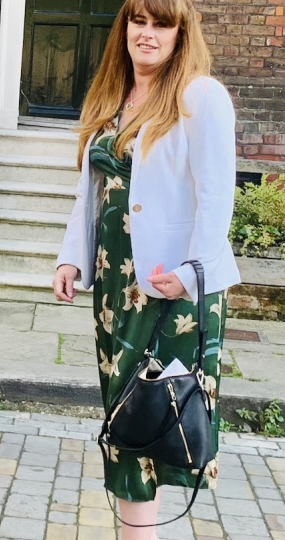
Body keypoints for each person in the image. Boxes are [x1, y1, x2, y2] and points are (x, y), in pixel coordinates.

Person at [52, 0, 240, 537]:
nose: (148, 33)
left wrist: (192, 270)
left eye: (162, 24)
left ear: (182, 33)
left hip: (169, 288)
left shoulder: (200, 97)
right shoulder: (113, 96)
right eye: (139, 21)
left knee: (155, 419)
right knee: (125, 419)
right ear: (125, 28)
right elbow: (92, 190)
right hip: (115, 284)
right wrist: (72, 256)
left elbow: (216, 195)